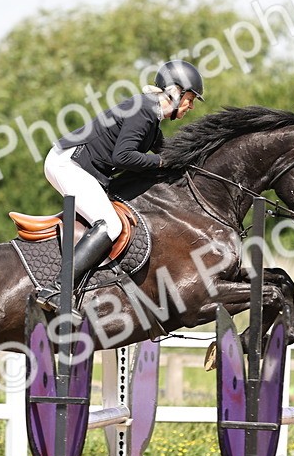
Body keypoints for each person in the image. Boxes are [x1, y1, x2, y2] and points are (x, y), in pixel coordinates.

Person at [35, 59, 205, 311]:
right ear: (174, 92)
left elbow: (166, 153)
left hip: (80, 166)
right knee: (110, 224)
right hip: (67, 164)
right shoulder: (143, 112)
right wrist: (161, 161)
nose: (190, 106)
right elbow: (123, 157)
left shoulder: (151, 117)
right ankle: (56, 290)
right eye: (190, 98)